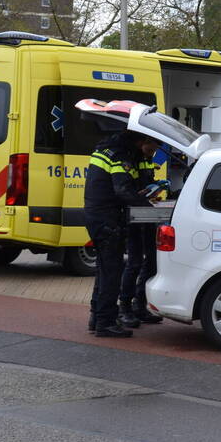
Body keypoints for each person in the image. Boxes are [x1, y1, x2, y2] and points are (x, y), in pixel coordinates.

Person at [84, 130, 157, 338]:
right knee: (112, 273)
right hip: (108, 220)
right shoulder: (119, 156)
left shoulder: (105, 151)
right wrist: (148, 207)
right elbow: (122, 190)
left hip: (97, 217)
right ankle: (105, 323)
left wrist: (137, 194)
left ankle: (96, 318)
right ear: (140, 140)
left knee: (103, 271)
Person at [118, 144, 165, 329]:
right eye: (151, 148)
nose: (153, 151)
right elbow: (126, 191)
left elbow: (145, 185)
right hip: (133, 217)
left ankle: (140, 305)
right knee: (134, 263)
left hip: (145, 214)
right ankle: (125, 308)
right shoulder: (130, 159)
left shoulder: (147, 158)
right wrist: (143, 196)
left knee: (152, 261)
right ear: (142, 142)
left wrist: (154, 190)